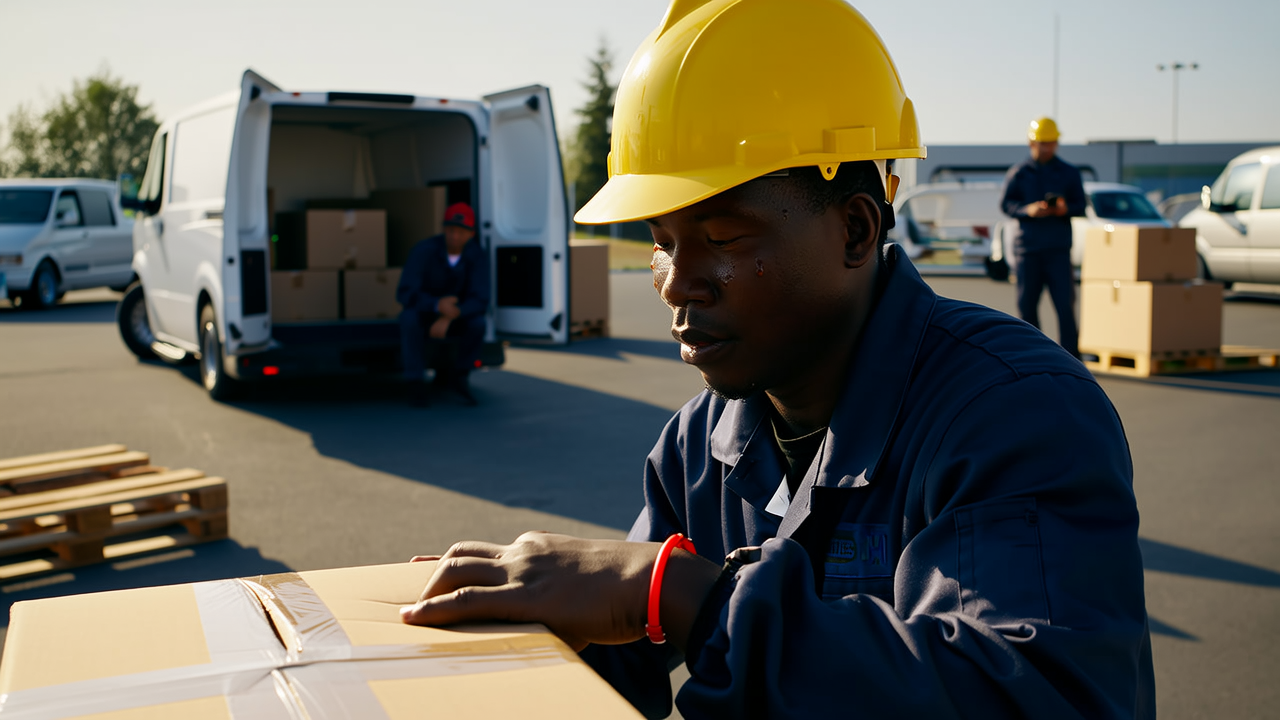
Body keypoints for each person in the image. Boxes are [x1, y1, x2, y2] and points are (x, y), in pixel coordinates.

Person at [400, 1, 1154, 718]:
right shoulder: (701, 448)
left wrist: (684, 596)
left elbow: (1035, 696)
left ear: (856, 230)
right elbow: (615, 641)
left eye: (723, 238)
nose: (678, 282)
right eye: (662, 242)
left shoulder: (1012, 414)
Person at [999, 117, 1087, 358]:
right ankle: (1033, 357)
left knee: (1065, 307)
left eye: (1052, 143)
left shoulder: (1069, 173)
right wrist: (1028, 210)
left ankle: (1071, 359)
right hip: (1028, 251)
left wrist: (1064, 208)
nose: (1047, 148)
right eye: (1043, 143)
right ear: (1031, 143)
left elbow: (1081, 205)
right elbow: (1006, 204)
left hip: (1057, 250)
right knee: (1027, 307)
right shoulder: (1019, 173)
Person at [396, 202, 489, 407]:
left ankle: (460, 376)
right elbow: (405, 293)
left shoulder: (476, 256)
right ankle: (415, 382)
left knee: (478, 324)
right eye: (451, 230)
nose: (455, 236)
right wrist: (437, 306)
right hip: (425, 313)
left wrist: (451, 314)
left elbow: (481, 297)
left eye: (461, 232)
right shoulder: (423, 251)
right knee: (408, 319)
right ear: (443, 229)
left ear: (471, 234)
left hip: (456, 316)